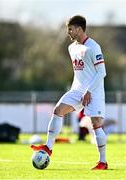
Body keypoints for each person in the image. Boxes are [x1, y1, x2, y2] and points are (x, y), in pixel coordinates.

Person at [31, 15, 108, 170]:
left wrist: (88, 90)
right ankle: (48, 147)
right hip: (77, 90)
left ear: (79, 29)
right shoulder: (71, 48)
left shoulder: (94, 47)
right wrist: (79, 90)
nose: (69, 33)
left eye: (71, 29)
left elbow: (102, 72)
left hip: (94, 91)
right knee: (58, 110)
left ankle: (103, 162)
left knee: (96, 125)